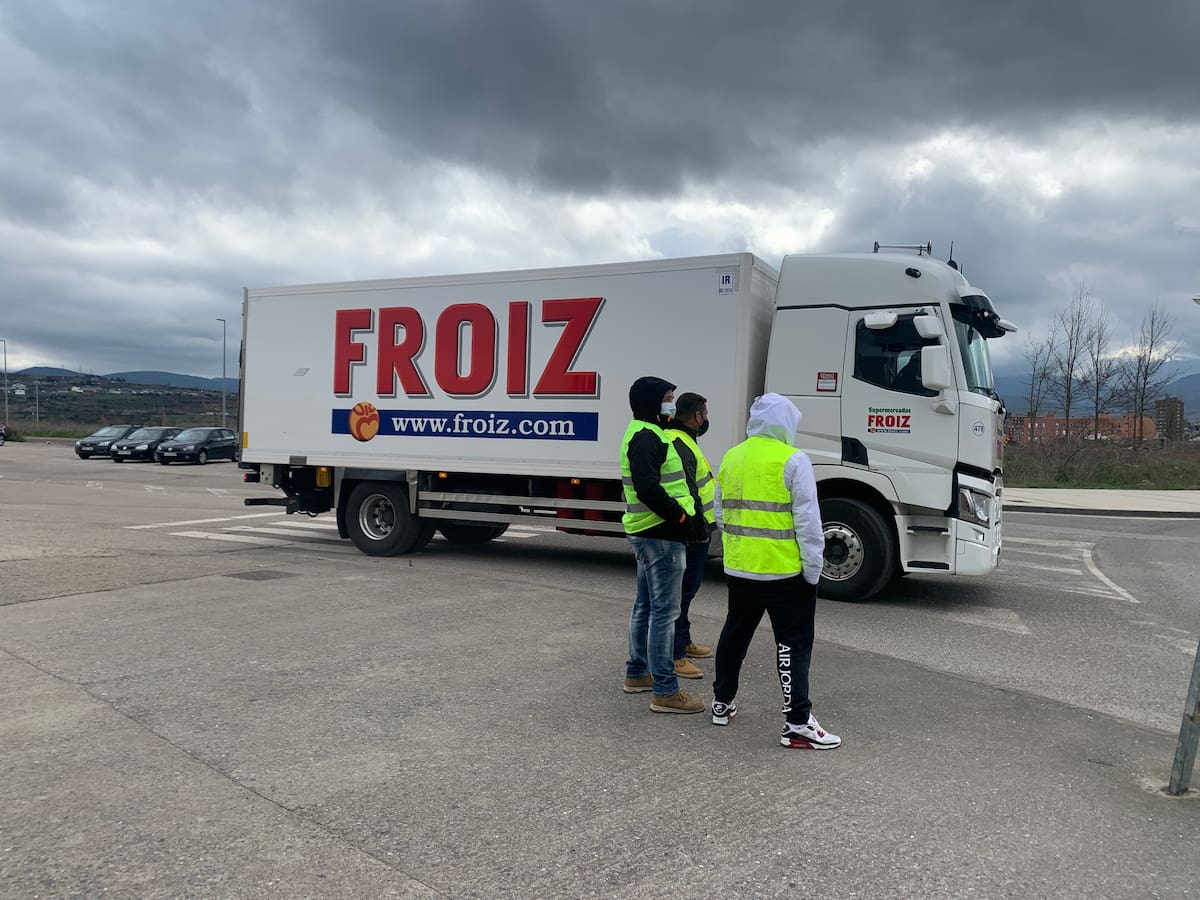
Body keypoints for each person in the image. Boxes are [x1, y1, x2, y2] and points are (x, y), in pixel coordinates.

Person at [710, 392, 841, 749]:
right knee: (793, 645)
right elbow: (809, 525)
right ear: (785, 423)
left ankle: (722, 703)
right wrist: (813, 571)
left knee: (735, 634)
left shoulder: (732, 457)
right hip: (785, 573)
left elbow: (720, 511)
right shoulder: (793, 460)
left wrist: (738, 551)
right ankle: (797, 722)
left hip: (740, 570)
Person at [620, 376, 707, 714]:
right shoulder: (646, 436)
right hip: (660, 534)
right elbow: (647, 488)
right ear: (652, 402)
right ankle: (666, 690)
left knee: (645, 606)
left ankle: (638, 673)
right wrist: (682, 519)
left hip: (652, 532)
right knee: (664, 613)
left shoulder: (648, 433)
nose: (672, 403)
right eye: (668, 398)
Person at [664, 392, 716, 680]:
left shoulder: (683, 439)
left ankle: (683, 640)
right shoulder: (680, 443)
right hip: (692, 533)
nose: (707, 418)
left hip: (697, 529)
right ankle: (675, 654)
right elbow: (687, 493)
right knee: (680, 595)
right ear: (697, 416)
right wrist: (697, 530)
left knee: (686, 593)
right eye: (705, 413)